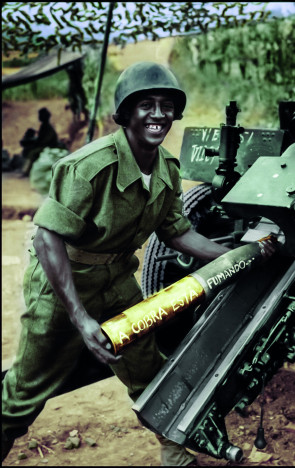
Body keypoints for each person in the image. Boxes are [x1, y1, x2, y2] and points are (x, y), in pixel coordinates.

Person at [3, 61, 271, 466]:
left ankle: (172, 450)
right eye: (147, 104)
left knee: (148, 370)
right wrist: (80, 318)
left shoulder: (166, 168)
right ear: (126, 112)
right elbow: (47, 237)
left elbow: (180, 234)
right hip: (64, 287)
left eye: (167, 105)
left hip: (117, 281)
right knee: (24, 395)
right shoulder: (88, 167)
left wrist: (241, 257)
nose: (159, 114)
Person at [21, 107, 59, 176]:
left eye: (40, 115)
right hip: (44, 145)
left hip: (49, 146)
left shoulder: (47, 127)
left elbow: (45, 141)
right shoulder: (44, 126)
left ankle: (26, 171)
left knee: (32, 153)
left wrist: (35, 144)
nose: (39, 117)